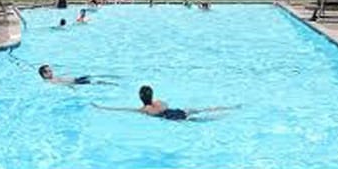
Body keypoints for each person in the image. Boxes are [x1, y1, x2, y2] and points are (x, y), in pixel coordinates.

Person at [92, 85, 240, 121]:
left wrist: (102, 107)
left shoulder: (144, 110)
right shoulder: (159, 102)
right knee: (203, 110)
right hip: (179, 111)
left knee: (202, 120)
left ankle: (224, 114)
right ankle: (229, 108)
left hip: (173, 119)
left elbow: (122, 110)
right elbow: (167, 105)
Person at [38, 64, 116, 86]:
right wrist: (72, 86)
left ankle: (111, 77)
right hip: (76, 83)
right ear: (44, 74)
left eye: (51, 70)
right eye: (48, 71)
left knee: (91, 76)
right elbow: (63, 84)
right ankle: (111, 84)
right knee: (95, 82)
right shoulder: (50, 82)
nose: (51, 72)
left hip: (76, 79)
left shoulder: (53, 78)